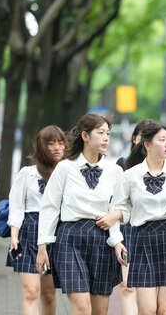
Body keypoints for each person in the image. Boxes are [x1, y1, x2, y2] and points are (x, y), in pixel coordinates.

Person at [107, 120, 166, 315]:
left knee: (164, 309)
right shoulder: (130, 175)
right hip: (142, 239)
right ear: (147, 144)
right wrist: (116, 240)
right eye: (161, 140)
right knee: (147, 310)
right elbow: (119, 208)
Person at [36, 114, 123, 315]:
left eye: (108, 133)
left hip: (101, 238)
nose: (106, 138)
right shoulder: (65, 167)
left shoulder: (114, 171)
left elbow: (120, 207)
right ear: (85, 135)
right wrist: (43, 246)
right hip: (70, 238)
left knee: (100, 311)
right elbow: (49, 206)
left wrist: (116, 236)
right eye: (100, 133)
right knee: (82, 307)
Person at [6, 125, 66, 315]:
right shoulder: (27, 173)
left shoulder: (68, 173)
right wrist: (14, 236)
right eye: (51, 143)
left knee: (48, 294)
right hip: (29, 232)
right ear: (42, 146)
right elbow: (16, 208)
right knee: (31, 292)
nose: (57, 147)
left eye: (60, 143)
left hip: (55, 232)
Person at [115, 119, 151, 315]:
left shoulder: (163, 168)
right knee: (127, 285)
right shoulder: (122, 165)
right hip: (127, 230)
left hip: (152, 232)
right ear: (134, 138)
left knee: (149, 286)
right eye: (142, 135)